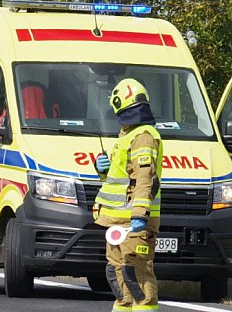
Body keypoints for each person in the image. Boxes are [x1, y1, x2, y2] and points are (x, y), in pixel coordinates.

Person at [92, 78, 163, 312]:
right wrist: (103, 171)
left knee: (137, 278)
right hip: (116, 222)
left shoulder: (143, 136)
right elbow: (121, 180)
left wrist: (140, 215)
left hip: (133, 222)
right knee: (117, 277)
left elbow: (145, 179)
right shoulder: (126, 136)